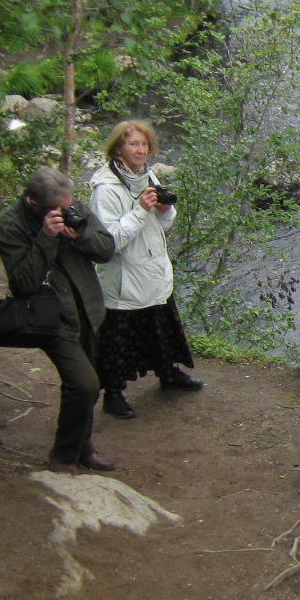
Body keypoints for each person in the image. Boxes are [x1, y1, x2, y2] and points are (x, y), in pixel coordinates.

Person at [0, 168, 117, 473]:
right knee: (84, 384)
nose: (65, 211)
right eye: (56, 209)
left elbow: (106, 251)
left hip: (88, 309)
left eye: (68, 204)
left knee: (89, 382)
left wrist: (82, 235)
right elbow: (22, 283)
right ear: (33, 202)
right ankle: (63, 457)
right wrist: (46, 238)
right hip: (52, 318)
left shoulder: (71, 207)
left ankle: (83, 448)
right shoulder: (11, 225)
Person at [87, 120, 203, 419]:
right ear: (118, 149)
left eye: (143, 144)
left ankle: (168, 373)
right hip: (124, 278)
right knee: (118, 340)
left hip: (152, 269)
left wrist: (165, 210)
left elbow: (161, 225)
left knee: (161, 326)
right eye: (133, 144)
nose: (140, 150)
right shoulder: (106, 189)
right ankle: (113, 394)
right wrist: (140, 210)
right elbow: (109, 241)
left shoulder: (145, 174)